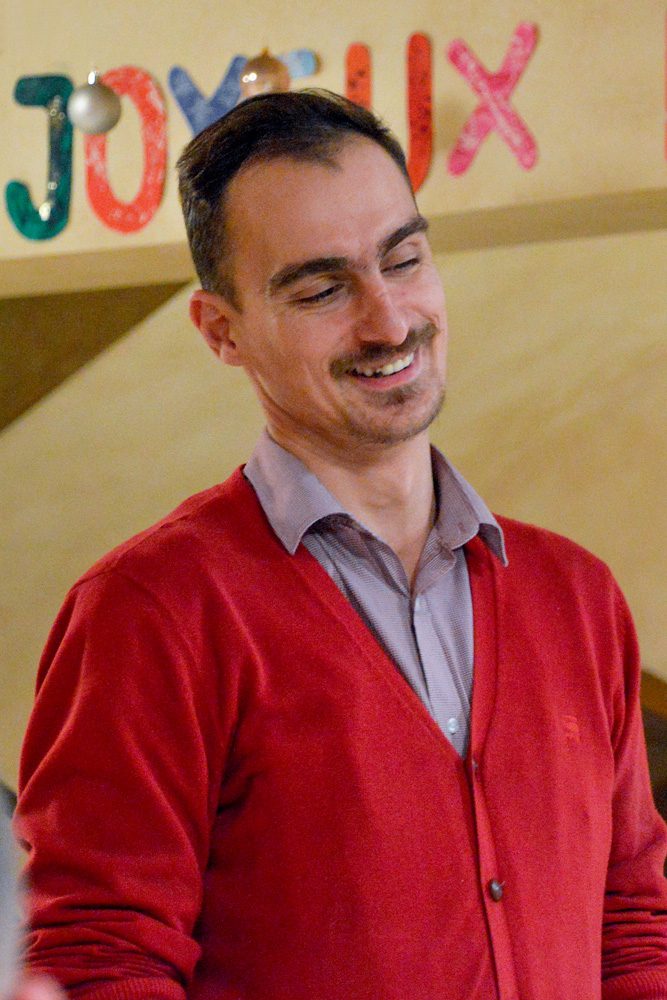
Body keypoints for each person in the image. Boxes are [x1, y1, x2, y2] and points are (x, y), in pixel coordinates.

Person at [15, 90, 667, 1000]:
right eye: (322, 290)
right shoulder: (150, 611)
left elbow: (631, 925)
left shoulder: (577, 597)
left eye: (403, 259)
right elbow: (98, 959)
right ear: (221, 331)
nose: (389, 321)